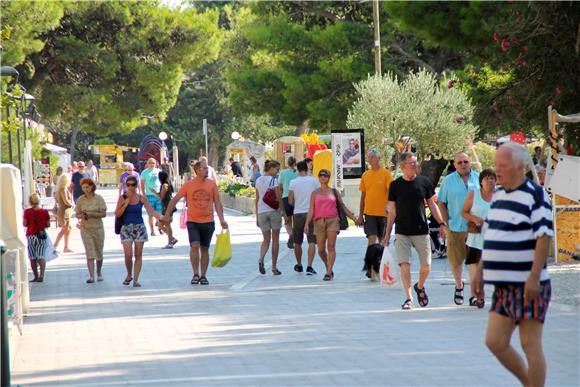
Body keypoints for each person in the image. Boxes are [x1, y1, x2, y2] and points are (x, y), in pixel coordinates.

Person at [473, 143, 554, 387]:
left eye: (502, 165)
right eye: (496, 164)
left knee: (530, 345)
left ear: (519, 167)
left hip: (528, 284)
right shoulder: (498, 196)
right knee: (494, 341)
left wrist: (533, 276)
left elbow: (544, 237)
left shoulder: (535, 195)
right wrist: (480, 270)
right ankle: (529, 382)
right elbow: (493, 235)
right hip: (503, 286)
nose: (496, 170)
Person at [384, 152, 447, 310]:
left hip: (421, 230)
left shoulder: (424, 182)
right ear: (404, 166)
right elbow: (392, 211)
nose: (415, 165)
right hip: (402, 231)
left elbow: (432, 204)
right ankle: (409, 298)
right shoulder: (395, 185)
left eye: (415, 163)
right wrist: (386, 235)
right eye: (411, 163)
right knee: (405, 265)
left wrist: (441, 223)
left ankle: (419, 286)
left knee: (427, 266)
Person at [162, 161, 228, 285]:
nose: (207, 170)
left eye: (207, 168)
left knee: (205, 248)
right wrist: (167, 215)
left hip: (208, 221)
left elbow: (217, 202)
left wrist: (222, 219)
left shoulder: (212, 184)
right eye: (204, 168)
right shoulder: (189, 185)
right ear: (197, 171)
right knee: (194, 245)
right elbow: (175, 199)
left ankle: (203, 275)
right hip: (193, 221)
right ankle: (195, 274)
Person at [437, 152, 480, 305]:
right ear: (454, 165)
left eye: (465, 161)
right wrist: (445, 222)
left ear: (470, 163)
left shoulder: (478, 178)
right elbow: (441, 202)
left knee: (474, 262)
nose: (463, 164)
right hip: (455, 227)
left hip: (475, 229)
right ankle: (459, 286)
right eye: (460, 162)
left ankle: (473, 294)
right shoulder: (448, 181)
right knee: (456, 262)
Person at [305, 169, 357, 281]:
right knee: (320, 249)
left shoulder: (334, 192)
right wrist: (306, 224)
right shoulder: (314, 193)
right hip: (319, 221)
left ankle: (329, 272)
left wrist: (354, 218)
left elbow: (342, 207)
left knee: (331, 246)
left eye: (325, 175)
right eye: (321, 175)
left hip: (333, 220)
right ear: (318, 177)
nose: (323, 177)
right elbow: (311, 210)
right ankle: (328, 266)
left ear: (329, 178)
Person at [115, 176, 162, 287]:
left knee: (138, 254)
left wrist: (162, 217)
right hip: (126, 228)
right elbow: (117, 214)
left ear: (136, 186)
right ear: (126, 186)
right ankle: (129, 274)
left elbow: (151, 211)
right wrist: (125, 204)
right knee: (128, 255)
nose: (131, 187)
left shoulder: (141, 198)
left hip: (139, 227)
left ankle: (135, 279)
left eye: (133, 185)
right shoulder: (123, 198)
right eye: (128, 185)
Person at [461, 169, 496, 308]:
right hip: (475, 238)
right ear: (481, 181)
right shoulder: (474, 194)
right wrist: (475, 218)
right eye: (486, 178)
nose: (490, 180)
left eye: (492, 178)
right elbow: (463, 212)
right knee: (475, 270)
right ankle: (476, 297)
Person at [288, 161, 320, 274]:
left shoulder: (293, 182)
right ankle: (309, 266)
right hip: (312, 213)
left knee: (297, 242)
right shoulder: (315, 181)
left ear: (297, 169)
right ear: (307, 168)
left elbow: (290, 201)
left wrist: (297, 203)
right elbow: (319, 196)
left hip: (298, 214)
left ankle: (299, 264)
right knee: (312, 241)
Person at [357, 148, 393, 246]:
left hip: (383, 214)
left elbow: (391, 193)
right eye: (368, 157)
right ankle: (371, 260)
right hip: (369, 213)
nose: (370, 159)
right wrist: (360, 215)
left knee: (383, 241)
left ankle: (382, 260)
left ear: (379, 158)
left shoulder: (386, 174)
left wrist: (389, 207)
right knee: (371, 238)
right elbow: (363, 197)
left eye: (372, 157)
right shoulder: (365, 175)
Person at [75, 178, 107, 283]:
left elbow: (103, 214)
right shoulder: (80, 199)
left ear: (92, 187)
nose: (85, 189)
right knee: (89, 252)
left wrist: (91, 214)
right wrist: (82, 216)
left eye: (87, 187)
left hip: (98, 228)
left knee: (98, 251)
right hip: (85, 228)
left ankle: (99, 272)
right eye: (83, 187)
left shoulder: (99, 199)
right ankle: (91, 276)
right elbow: (77, 214)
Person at [255, 160, 283, 275]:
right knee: (275, 239)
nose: (277, 172)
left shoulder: (258, 180)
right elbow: (278, 197)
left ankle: (261, 258)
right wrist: (282, 211)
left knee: (266, 239)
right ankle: (274, 267)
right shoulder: (273, 180)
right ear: (271, 168)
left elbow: (257, 199)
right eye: (277, 169)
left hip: (261, 212)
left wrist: (257, 215)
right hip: (273, 211)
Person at [23, 194, 56, 282]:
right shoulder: (44, 212)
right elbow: (48, 224)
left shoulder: (27, 212)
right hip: (41, 235)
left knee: (32, 257)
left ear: (30, 202)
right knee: (41, 256)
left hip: (30, 235)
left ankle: (35, 276)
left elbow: (25, 224)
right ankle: (42, 275)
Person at [153, 170, 178, 249]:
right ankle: (172, 238)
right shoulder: (167, 184)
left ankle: (170, 242)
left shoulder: (164, 185)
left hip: (167, 206)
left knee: (167, 224)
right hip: (166, 205)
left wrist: (154, 192)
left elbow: (161, 197)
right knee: (160, 224)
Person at [279, 156, 299, 250]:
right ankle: (295, 237)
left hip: (285, 197)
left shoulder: (282, 173)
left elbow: (280, 186)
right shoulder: (298, 173)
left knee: (287, 220)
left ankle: (291, 235)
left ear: (287, 163)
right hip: (296, 197)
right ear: (295, 163)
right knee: (296, 219)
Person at [140, 158, 162, 236]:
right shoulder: (144, 173)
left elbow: (162, 182)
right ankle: (152, 231)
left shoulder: (158, 171)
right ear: (147, 164)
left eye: (153, 163)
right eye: (150, 163)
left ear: (156, 163)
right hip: (149, 195)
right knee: (151, 214)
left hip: (158, 195)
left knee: (159, 213)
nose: (152, 164)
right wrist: (144, 195)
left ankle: (160, 228)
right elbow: (142, 184)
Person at [53, 173, 74, 253]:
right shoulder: (63, 189)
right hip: (64, 211)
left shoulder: (60, 189)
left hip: (64, 211)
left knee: (67, 229)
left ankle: (66, 246)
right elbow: (66, 201)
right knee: (64, 229)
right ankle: (55, 246)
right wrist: (72, 205)